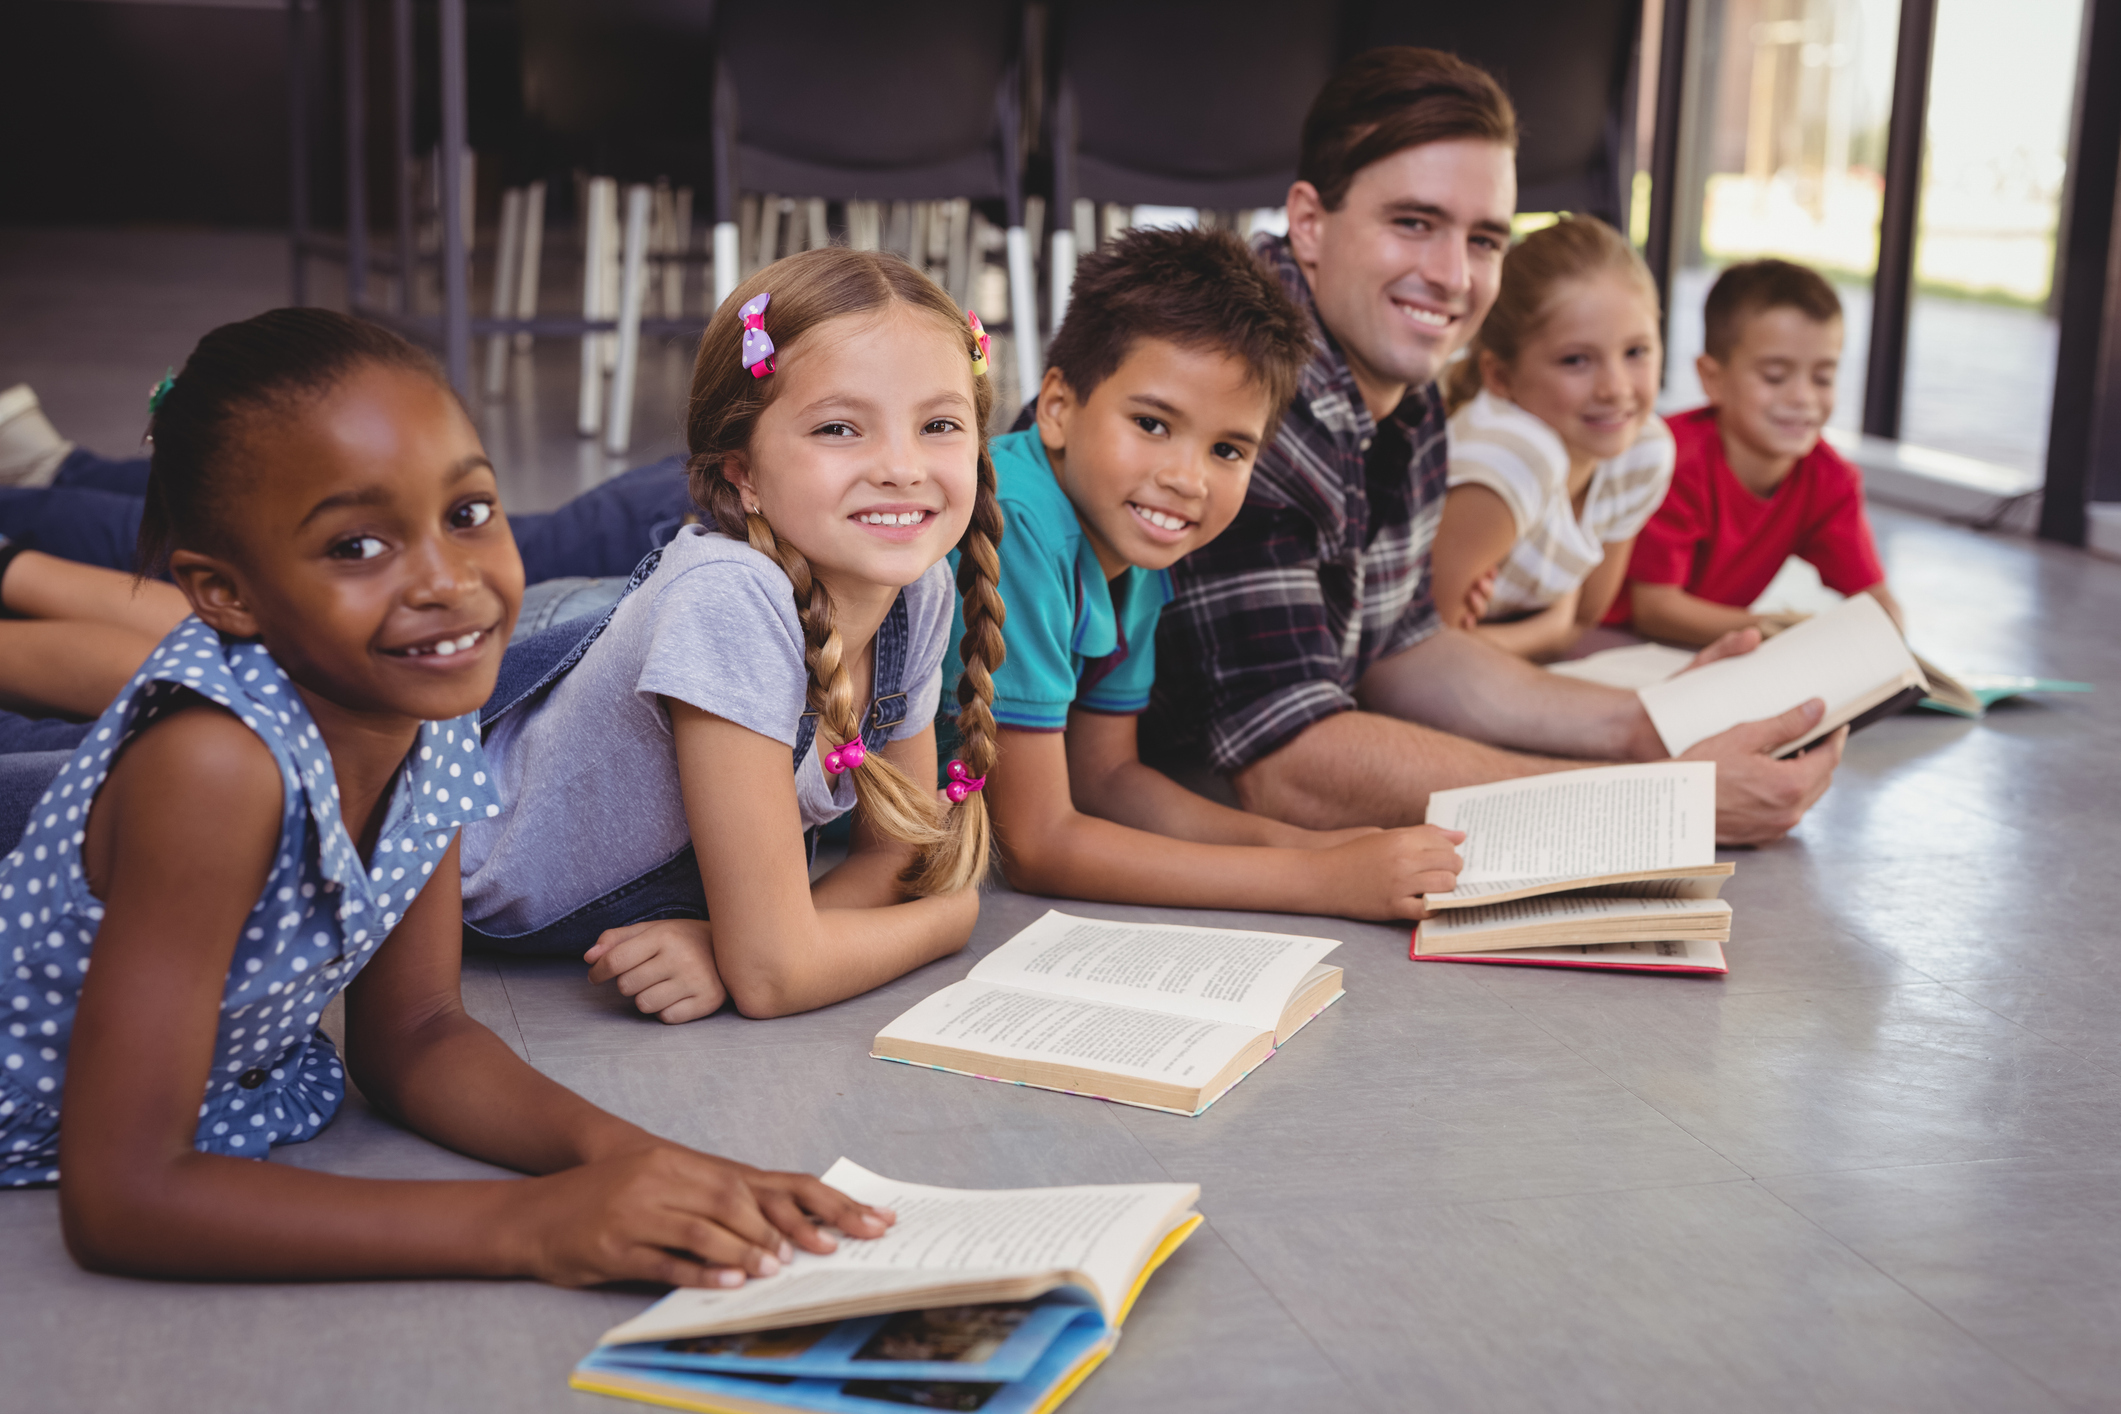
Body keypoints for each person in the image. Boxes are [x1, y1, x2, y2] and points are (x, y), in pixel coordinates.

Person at [0, 308, 894, 1285]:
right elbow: (121, 1195)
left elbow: (415, 1033)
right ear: (225, 592)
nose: (447, 581)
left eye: (467, 513)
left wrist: (638, 1160)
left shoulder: (422, 706)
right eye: (355, 546)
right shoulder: (215, 770)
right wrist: (535, 1223)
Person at [1143, 47, 1843, 844]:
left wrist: (1648, 724)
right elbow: (1288, 765)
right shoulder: (1246, 393)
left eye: (1483, 240)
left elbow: (1404, 652)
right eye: (1413, 223)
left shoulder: (1399, 389)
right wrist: (1656, 798)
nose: (1453, 277)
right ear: (1308, 222)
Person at [460, 249, 1000, 1024]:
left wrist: (730, 940)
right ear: (742, 472)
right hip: (476, 827)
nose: (902, 467)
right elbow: (779, 974)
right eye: (840, 427)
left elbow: (899, 863)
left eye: (940, 424)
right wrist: (949, 920)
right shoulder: (729, 602)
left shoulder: (918, 585)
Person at [959, 225, 1464, 918]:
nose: (1186, 480)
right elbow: (1039, 846)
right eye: (1153, 424)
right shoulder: (1021, 522)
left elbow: (1108, 779)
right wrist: (1321, 883)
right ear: (1056, 408)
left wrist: (1311, 846)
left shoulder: (1132, 545)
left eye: (1227, 450)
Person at [1604, 258, 1904, 644]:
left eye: (1823, 377)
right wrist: (1776, 630)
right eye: (1775, 376)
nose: (1802, 398)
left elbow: (1876, 597)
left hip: (1703, 649)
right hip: (1608, 637)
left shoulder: (1829, 479)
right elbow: (1655, 610)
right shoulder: (1673, 460)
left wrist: (1890, 635)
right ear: (1713, 379)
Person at [1428, 215, 1675, 661]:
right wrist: (1549, 624)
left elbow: (1580, 621)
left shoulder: (1640, 452)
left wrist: (1544, 627)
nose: (1616, 388)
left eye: (1636, 352)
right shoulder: (1512, 456)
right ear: (1500, 376)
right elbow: (1426, 656)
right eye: (1576, 360)